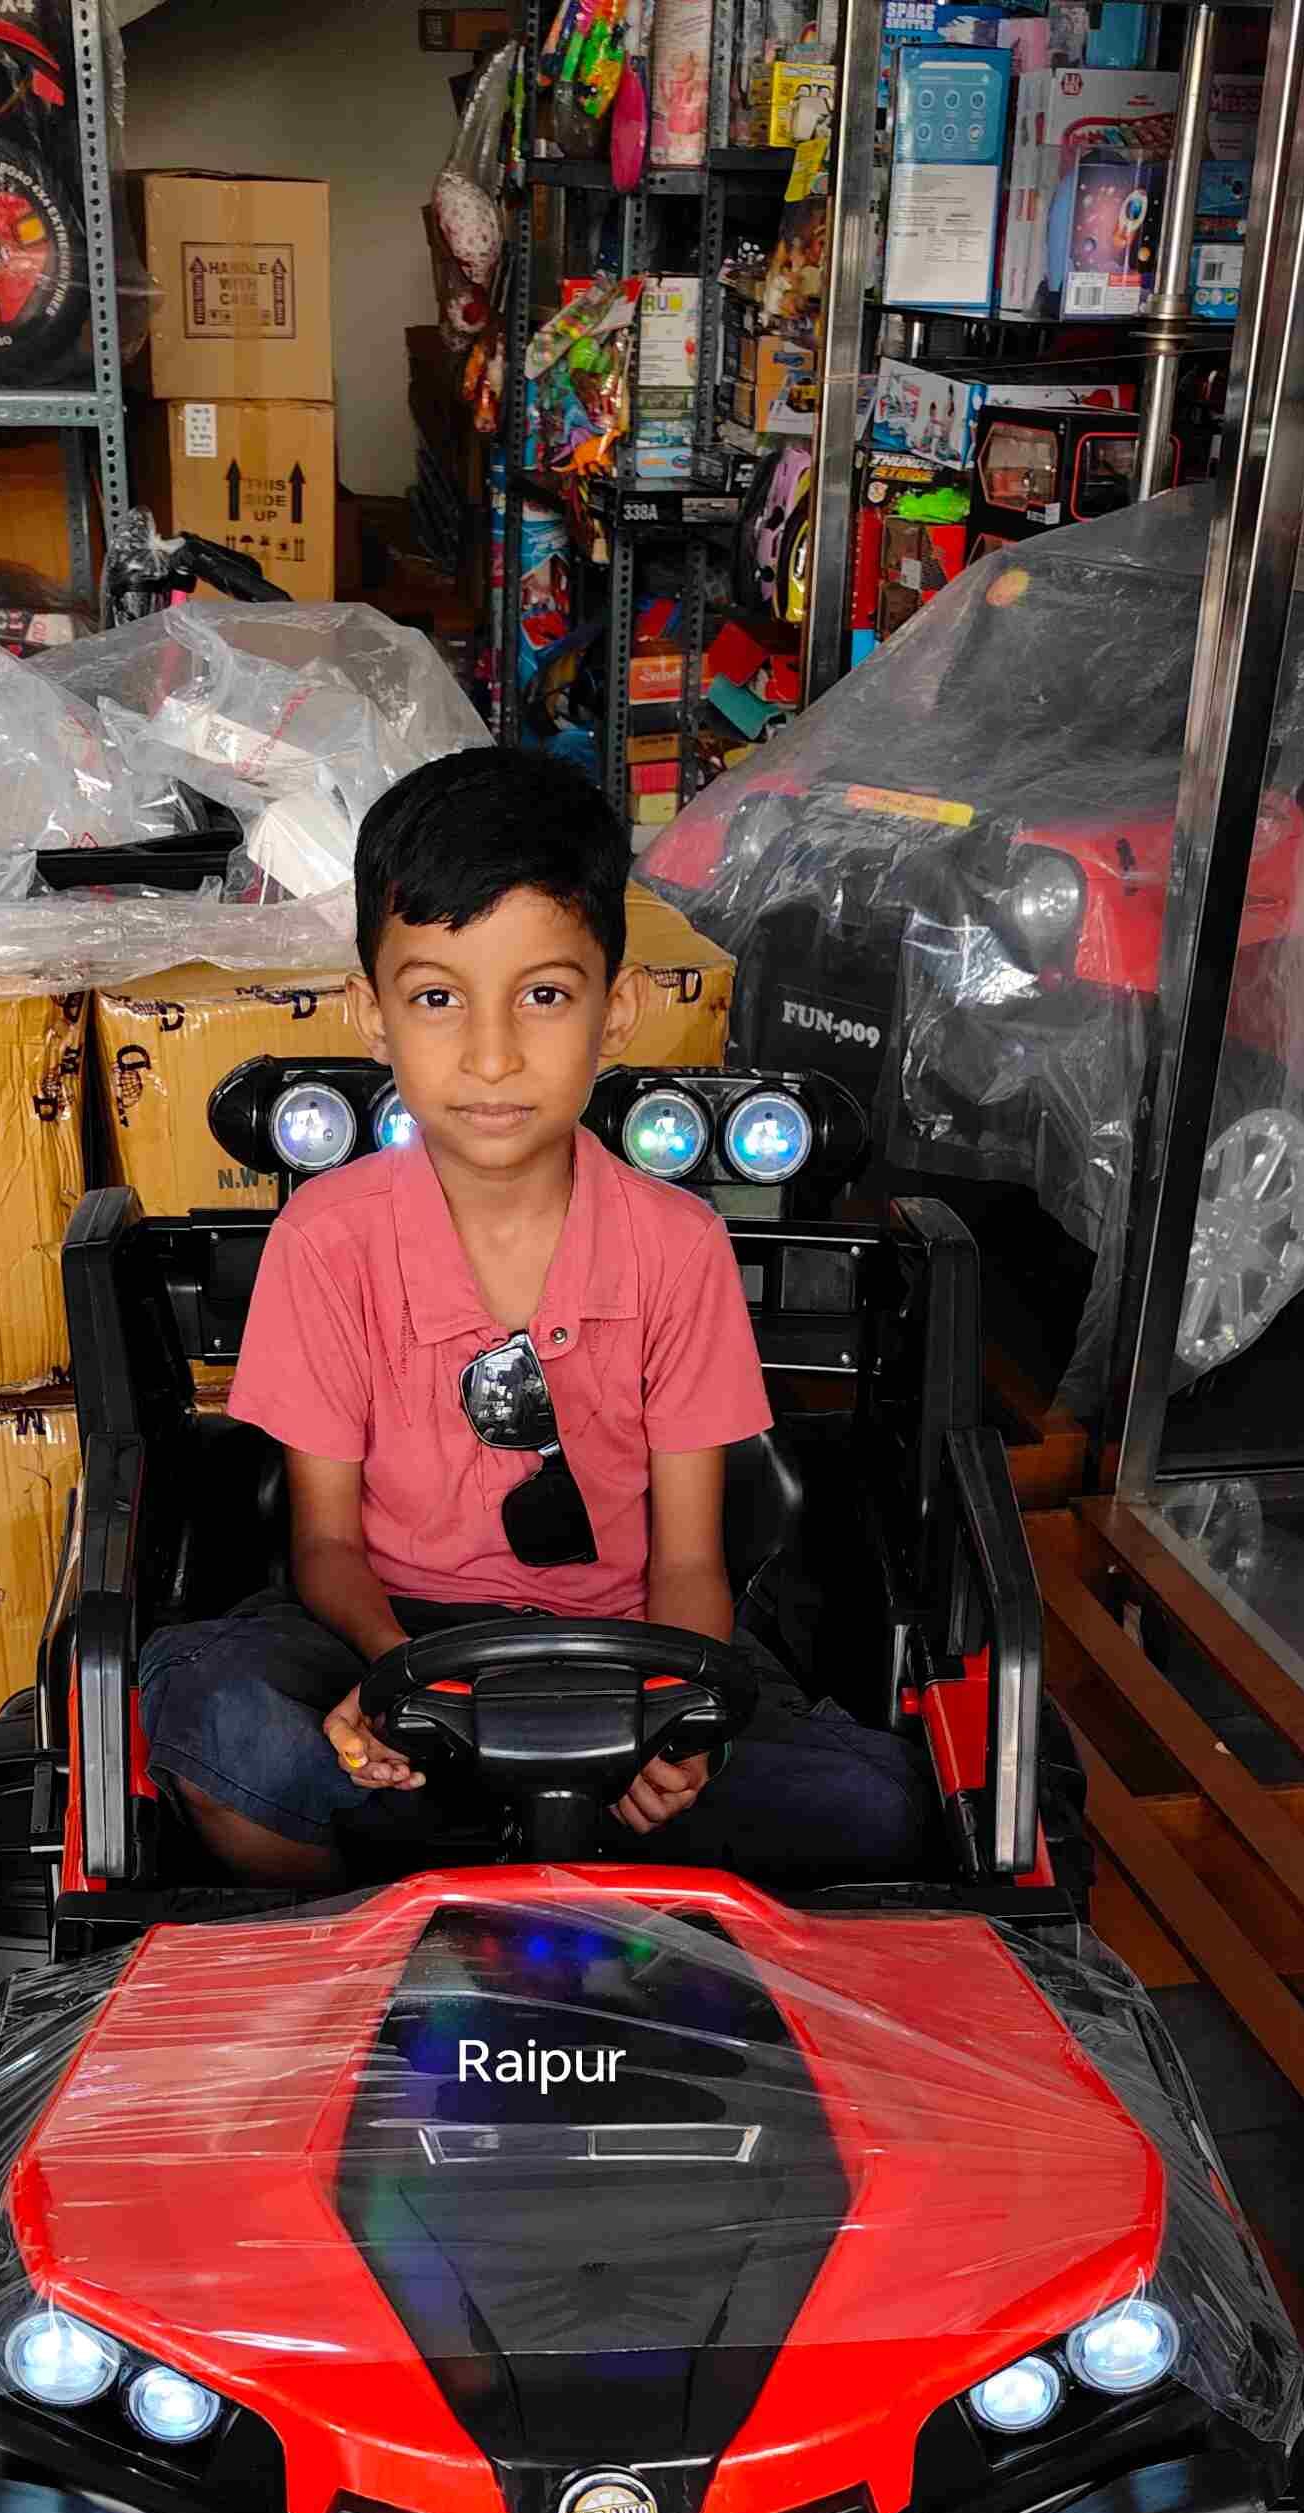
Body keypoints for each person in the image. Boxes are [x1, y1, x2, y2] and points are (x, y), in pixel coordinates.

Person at [139, 745, 937, 1887]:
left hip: (624, 1647)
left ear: (618, 1010)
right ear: (372, 1014)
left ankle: (461, 1863)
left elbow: (689, 1559)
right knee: (216, 1719)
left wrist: (679, 1724)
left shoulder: (679, 1246)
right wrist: (394, 1682)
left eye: (544, 995)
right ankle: (401, 1914)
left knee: (876, 1806)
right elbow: (323, 1544)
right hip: (386, 1630)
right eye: (436, 998)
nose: (492, 1054)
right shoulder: (325, 1238)